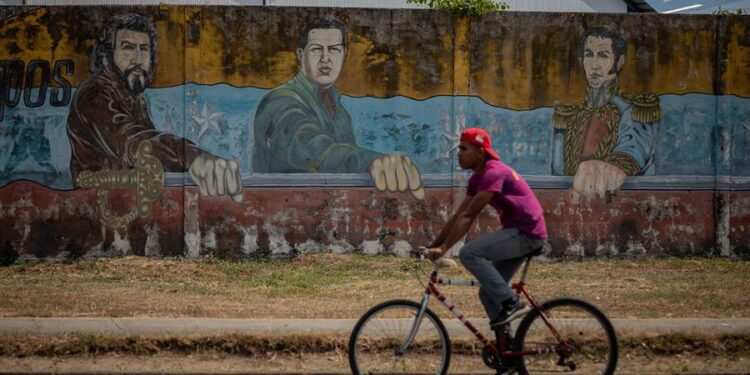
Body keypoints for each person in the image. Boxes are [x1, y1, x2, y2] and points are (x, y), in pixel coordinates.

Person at [67, 13, 243, 202]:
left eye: (144, 49)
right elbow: (132, 141)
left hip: (124, 204)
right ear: (109, 55)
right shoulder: (94, 94)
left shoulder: (132, 96)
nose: (138, 59)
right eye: (128, 48)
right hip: (99, 208)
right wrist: (193, 157)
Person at [252, 18, 424, 199]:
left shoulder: (339, 112)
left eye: (334, 50)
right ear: (301, 56)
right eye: (316, 49)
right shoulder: (280, 102)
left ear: (344, 55)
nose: (325, 58)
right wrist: (370, 160)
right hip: (278, 214)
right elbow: (311, 147)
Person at [424, 128, 548, 332]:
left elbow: (469, 215)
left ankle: (512, 302)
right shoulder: (477, 177)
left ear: (480, 152)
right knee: (488, 293)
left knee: (469, 253)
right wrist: (434, 246)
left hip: (527, 234)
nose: (459, 153)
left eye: (464, 148)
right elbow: (458, 215)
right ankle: (507, 352)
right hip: (518, 233)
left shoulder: (493, 172)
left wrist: (445, 247)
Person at [552, 26, 661, 199]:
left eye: (603, 55)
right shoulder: (568, 114)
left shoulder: (634, 109)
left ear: (619, 61)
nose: (594, 65)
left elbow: (635, 147)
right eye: (588, 55)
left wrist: (613, 165)